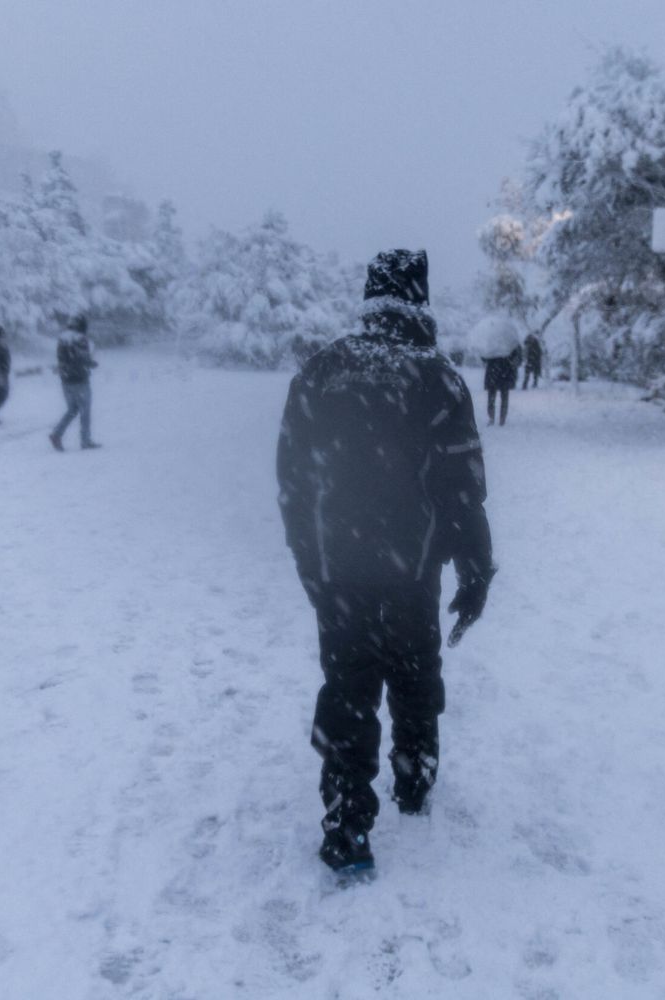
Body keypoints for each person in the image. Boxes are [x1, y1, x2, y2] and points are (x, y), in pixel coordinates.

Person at [277, 249, 496, 876]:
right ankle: (414, 775)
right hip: (412, 569)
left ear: (370, 299)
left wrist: (309, 563)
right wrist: (475, 568)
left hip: (339, 570)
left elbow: (293, 481)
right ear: (418, 301)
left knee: (346, 689)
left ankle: (346, 817)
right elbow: (461, 487)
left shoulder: (320, 372)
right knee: (414, 675)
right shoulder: (439, 379)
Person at [49, 314, 99, 451]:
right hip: (80, 379)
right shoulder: (80, 339)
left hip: (66, 380)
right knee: (84, 411)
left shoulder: (62, 338)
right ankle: (85, 440)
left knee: (72, 409)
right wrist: (91, 363)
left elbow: (63, 359)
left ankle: (57, 434)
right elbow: (81, 358)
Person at [481, 342, 522, 426]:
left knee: (493, 397)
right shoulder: (510, 341)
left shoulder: (492, 342)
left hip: (494, 373)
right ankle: (501, 419)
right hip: (505, 374)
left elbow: (484, 358)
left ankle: (493, 418)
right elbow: (518, 359)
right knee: (503, 397)